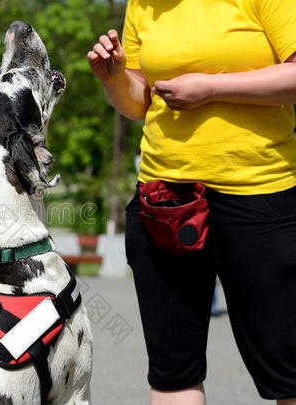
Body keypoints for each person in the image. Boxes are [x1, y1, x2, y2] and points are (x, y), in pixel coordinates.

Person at [88, 1, 296, 404]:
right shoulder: (143, 4)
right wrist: (113, 78)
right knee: (173, 373)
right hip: (164, 199)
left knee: (288, 371)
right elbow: (139, 101)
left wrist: (212, 87)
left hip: (261, 197)